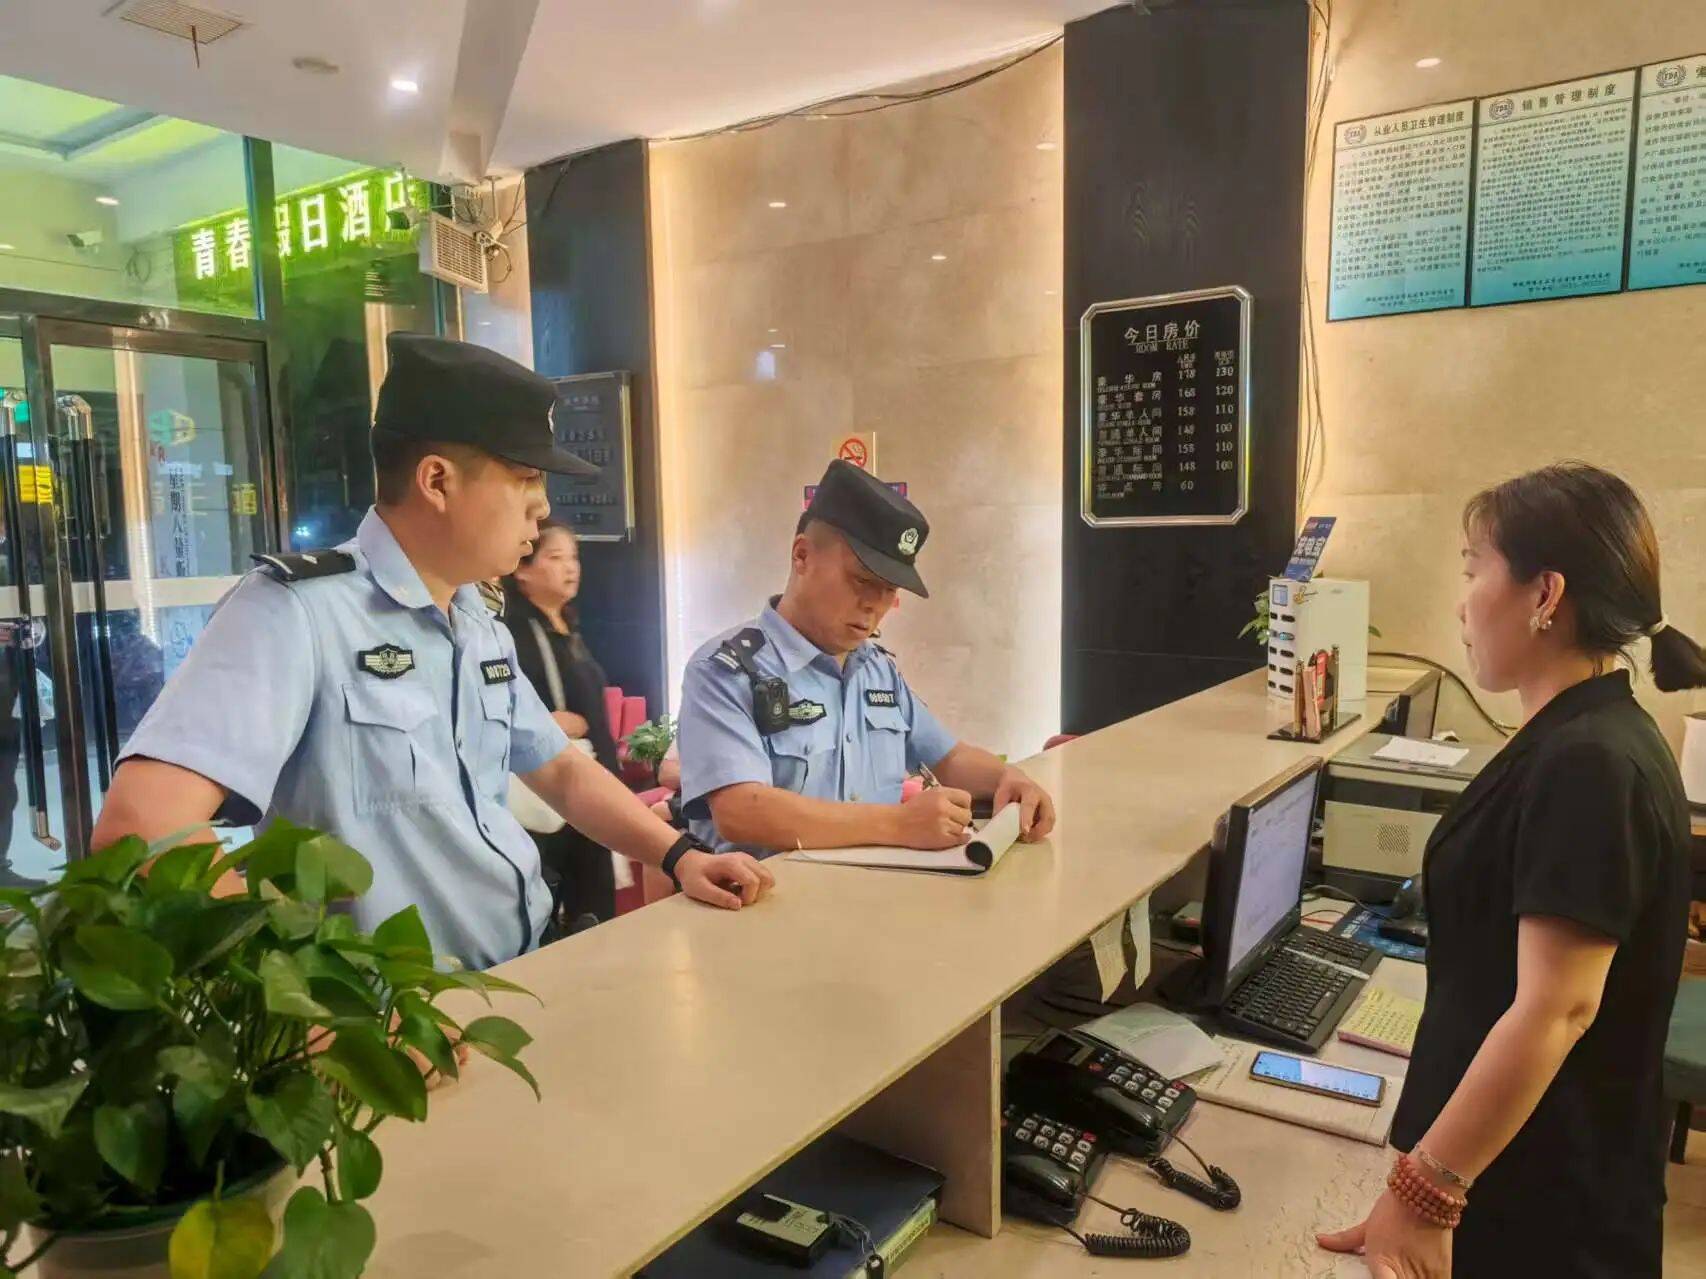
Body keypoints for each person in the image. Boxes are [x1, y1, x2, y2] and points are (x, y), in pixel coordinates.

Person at [92, 333, 772, 970]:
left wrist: (681, 855)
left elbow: (560, 770)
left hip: (523, 971)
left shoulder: (477, 621)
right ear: (437, 481)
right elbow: (141, 828)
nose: (542, 509)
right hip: (403, 1016)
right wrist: (318, 1010)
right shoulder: (296, 612)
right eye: (525, 479)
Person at [1319, 463, 1702, 1278]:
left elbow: (1556, 1010)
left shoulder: (1591, 762)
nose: (1461, 604)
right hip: (1508, 1173)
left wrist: (1425, 1193)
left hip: (1546, 1211)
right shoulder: (1572, 733)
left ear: (1544, 594)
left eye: (1472, 570)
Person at [677, 459, 1055, 856]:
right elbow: (740, 810)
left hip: (876, 889)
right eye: (862, 580)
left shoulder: (876, 670)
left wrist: (1009, 779)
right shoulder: (727, 670)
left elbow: (949, 757)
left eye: (889, 589)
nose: (875, 604)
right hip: (772, 892)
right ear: (802, 556)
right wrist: (898, 824)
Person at [501, 519, 624, 927]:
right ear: (522, 569)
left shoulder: (570, 628)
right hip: (547, 797)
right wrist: (545, 722)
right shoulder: (510, 633)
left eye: (574, 557)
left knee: (598, 916)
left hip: (592, 787)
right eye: (555, 558)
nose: (570, 568)